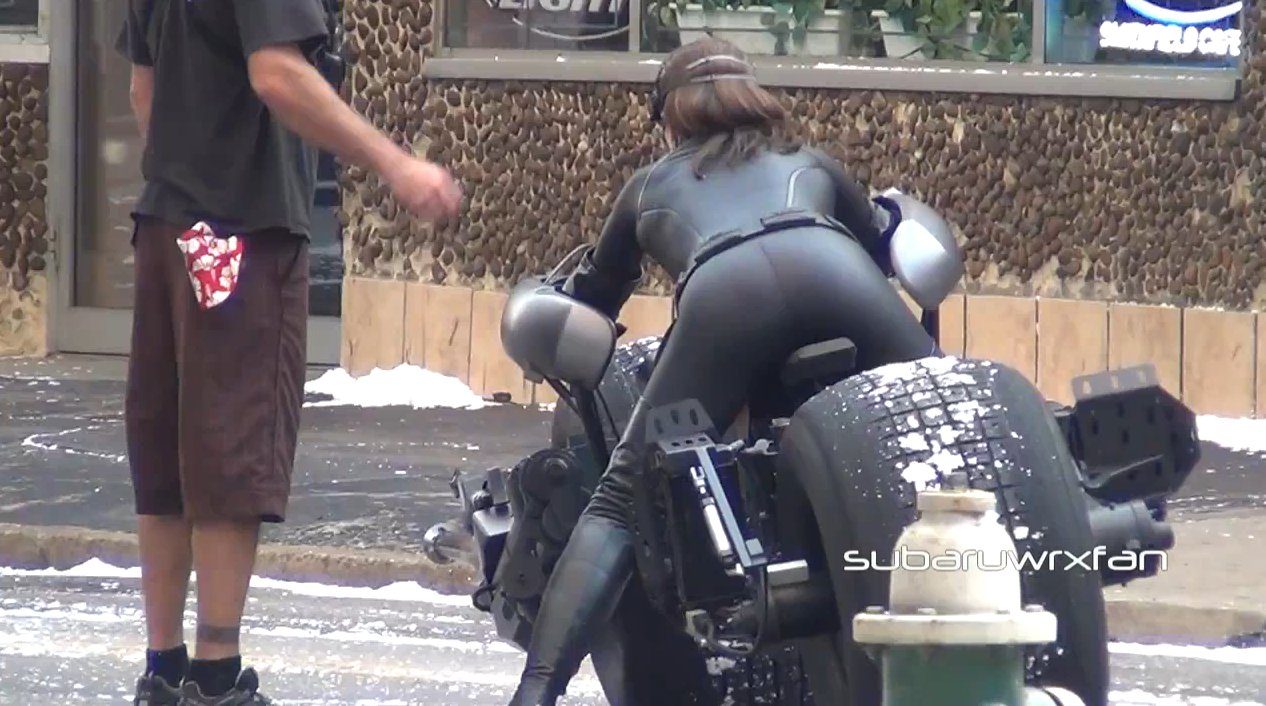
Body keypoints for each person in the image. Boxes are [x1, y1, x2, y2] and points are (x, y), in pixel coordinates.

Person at [506, 37, 938, 705]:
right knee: (950, 423)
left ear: (671, 119)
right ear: (752, 98)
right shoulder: (807, 160)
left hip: (727, 297)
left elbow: (593, 301)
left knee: (619, 500)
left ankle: (534, 694)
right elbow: (884, 246)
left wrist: (547, 295)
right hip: (838, 273)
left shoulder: (650, 187)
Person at [116, 1, 461, 704]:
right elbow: (276, 72)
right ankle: (217, 680)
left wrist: (187, 179)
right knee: (231, 446)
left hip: (168, 224)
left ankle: (164, 670)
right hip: (242, 233)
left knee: (170, 450)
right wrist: (396, 164)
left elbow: (142, 88)